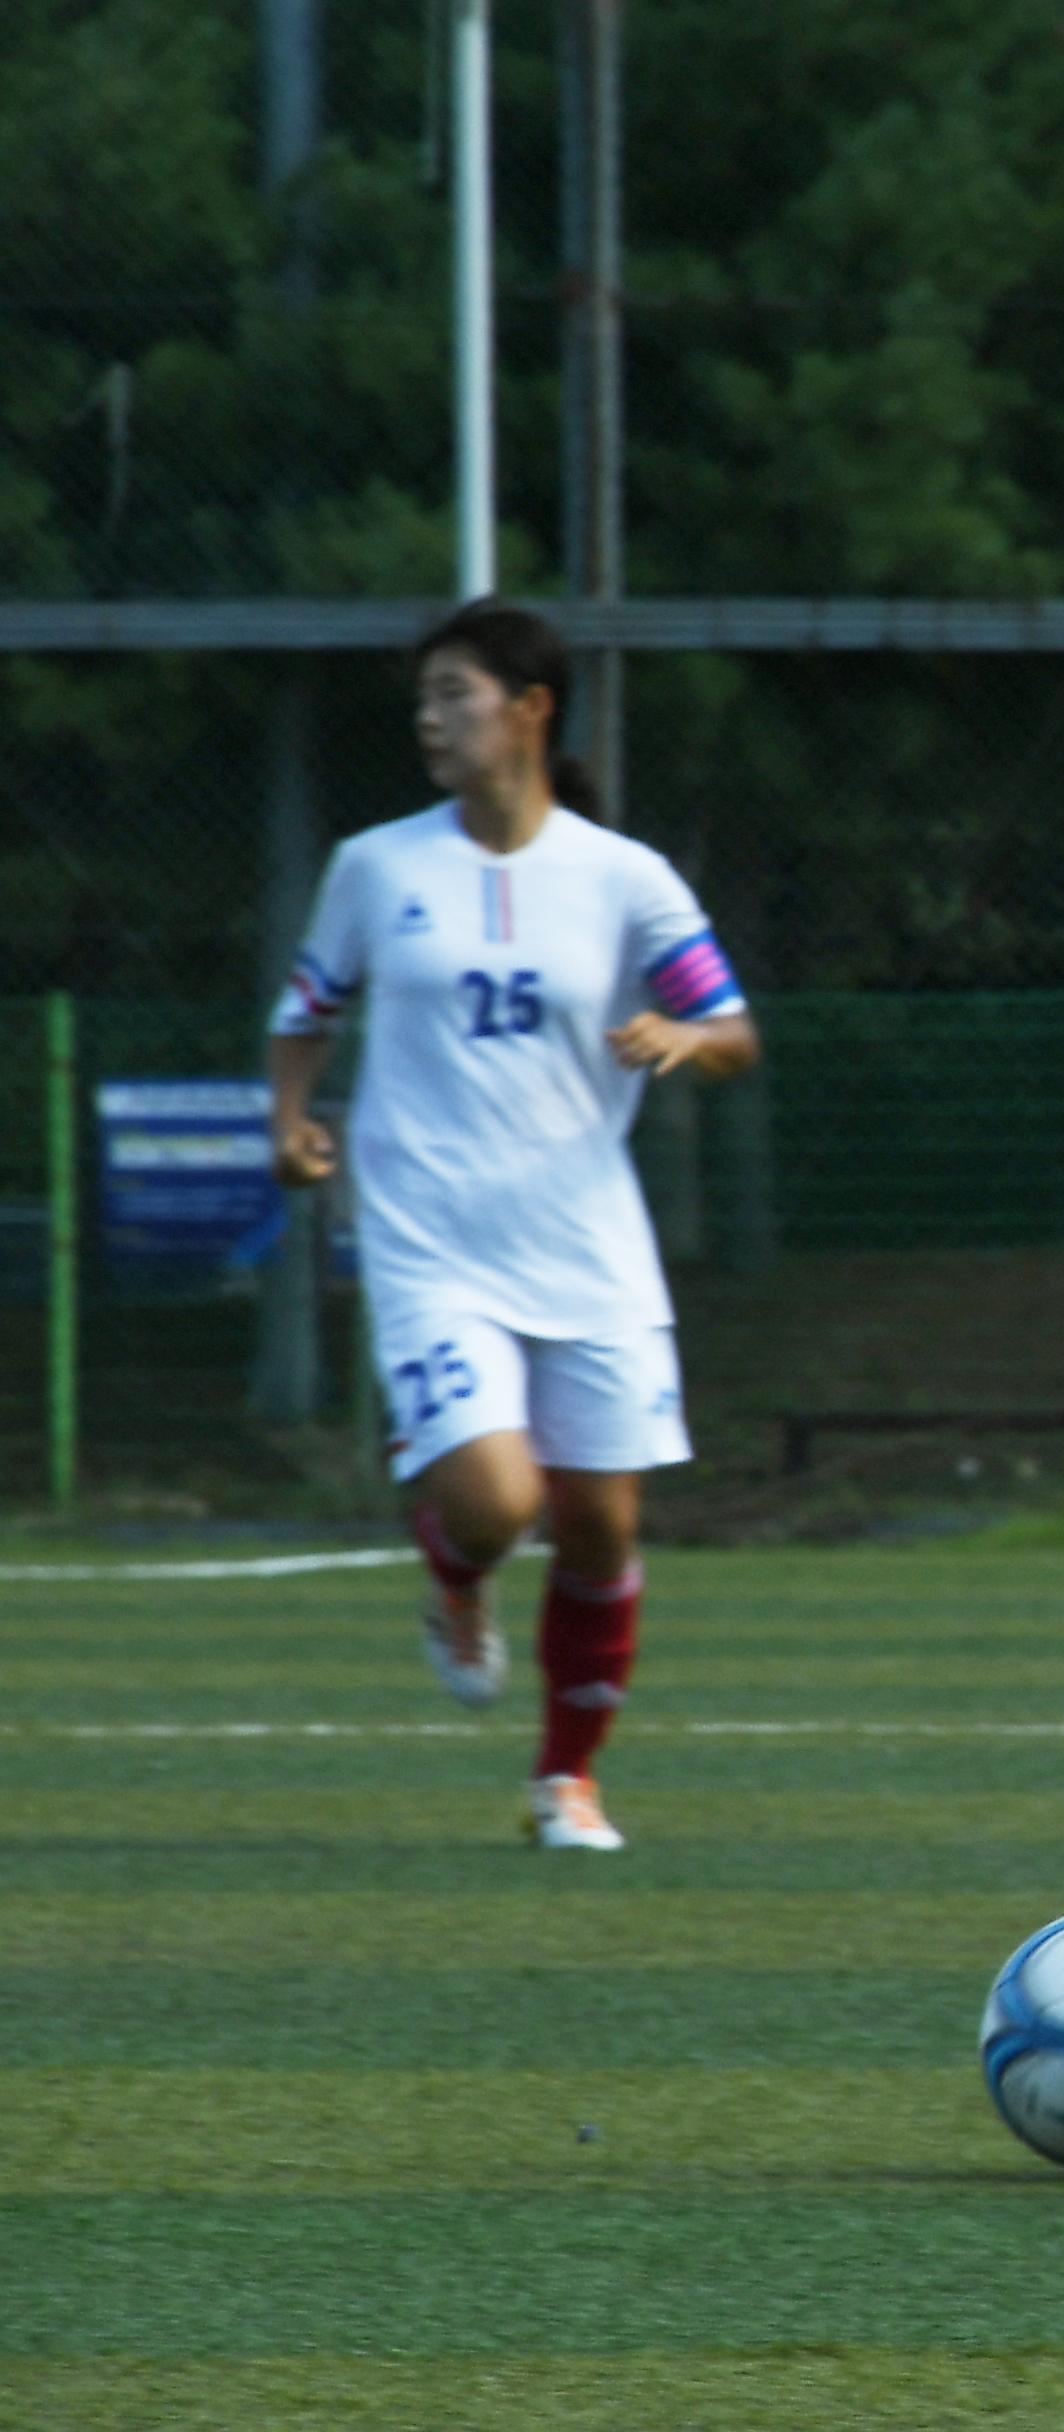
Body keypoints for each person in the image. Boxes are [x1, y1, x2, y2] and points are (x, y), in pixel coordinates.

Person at [268, 600, 759, 1852]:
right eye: (424, 698)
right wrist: (291, 1116)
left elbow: (735, 1028)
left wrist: (684, 1036)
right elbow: (307, 1007)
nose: (431, 720)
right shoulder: (377, 866)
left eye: (455, 695)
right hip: (430, 1238)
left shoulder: (622, 875)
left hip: (586, 1241)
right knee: (497, 1499)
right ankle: (456, 1570)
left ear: (530, 708)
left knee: (602, 1526)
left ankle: (566, 1780)